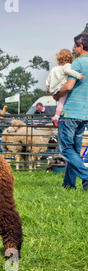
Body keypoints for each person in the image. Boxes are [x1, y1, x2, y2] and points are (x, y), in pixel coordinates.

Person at [53, 33, 88, 190]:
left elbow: (68, 86)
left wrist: (56, 94)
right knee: (74, 151)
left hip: (70, 114)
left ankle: (86, 176)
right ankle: (68, 184)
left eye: (75, 46)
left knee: (66, 149)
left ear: (81, 47)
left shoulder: (77, 63)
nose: (74, 50)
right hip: (85, 114)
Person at [46, 49, 85, 127]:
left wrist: (47, 89)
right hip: (61, 87)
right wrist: (78, 76)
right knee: (62, 101)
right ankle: (56, 117)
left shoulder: (54, 68)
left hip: (54, 89)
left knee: (59, 101)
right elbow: (69, 71)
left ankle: (58, 114)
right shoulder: (67, 66)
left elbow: (48, 80)